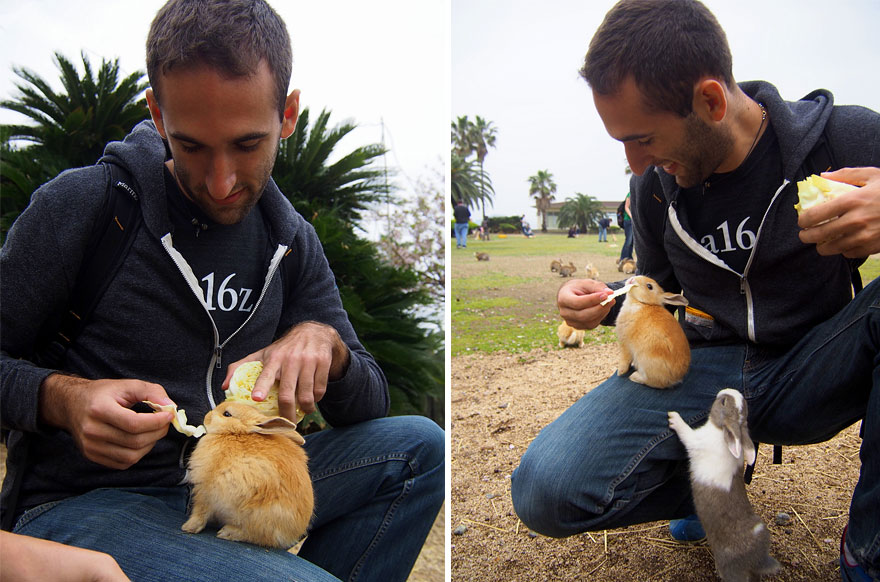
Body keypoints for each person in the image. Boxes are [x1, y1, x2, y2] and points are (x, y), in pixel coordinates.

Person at [0, 2, 444, 581]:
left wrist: (325, 344)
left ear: (287, 115)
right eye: (192, 147)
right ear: (157, 116)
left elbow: (368, 403)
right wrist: (62, 398)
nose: (221, 181)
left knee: (418, 448)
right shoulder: (83, 206)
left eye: (245, 144)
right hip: (89, 503)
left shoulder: (291, 241)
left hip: (238, 476)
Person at [510, 1, 880, 581]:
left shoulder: (844, 138)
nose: (636, 163)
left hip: (816, 365)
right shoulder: (656, 186)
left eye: (644, 138)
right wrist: (603, 303)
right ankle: (705, 489)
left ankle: (870, 552)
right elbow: (659, 290)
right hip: (710, 373)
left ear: (710, 101)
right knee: (543, 489)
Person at [618, 192, 633, 261]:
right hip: (628, 221)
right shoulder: (630, 194)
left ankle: (629, 257)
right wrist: (631, 217)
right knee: (628, 240)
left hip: (634, 222)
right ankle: (623, 258)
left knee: (632, 241)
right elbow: (626, 207)